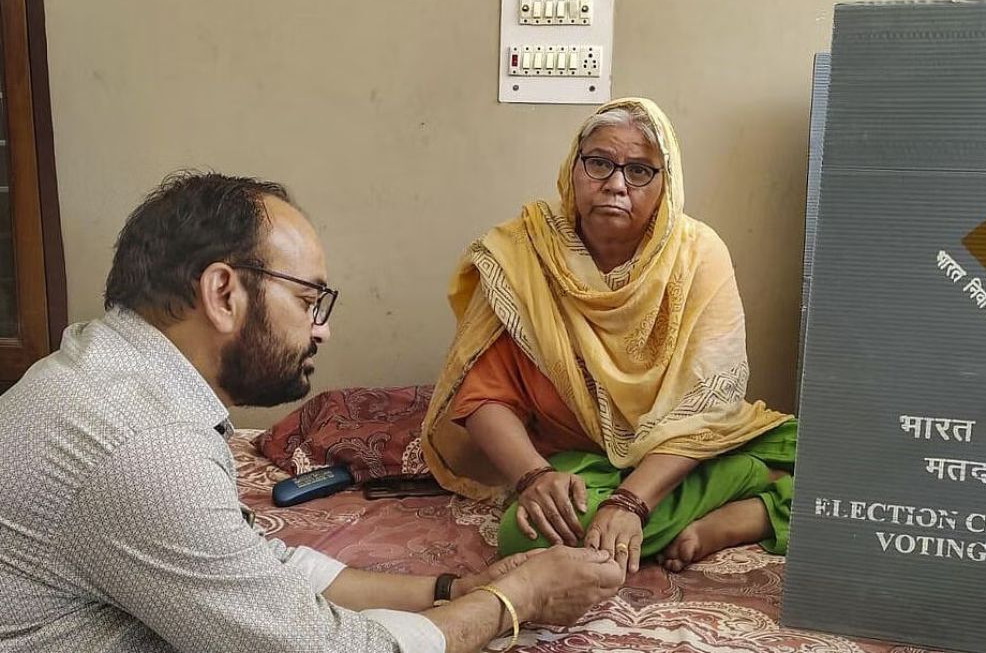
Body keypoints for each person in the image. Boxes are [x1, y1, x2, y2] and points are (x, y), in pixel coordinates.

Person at [0, 172, 623, 653]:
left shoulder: (107, 371)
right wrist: (517, 597)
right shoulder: (146, 445)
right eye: (308, 301)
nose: (322, 330)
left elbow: (257, 566)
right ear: (222, 293)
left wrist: (453, 590)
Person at [421, 98, 797, 575]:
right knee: (526, 534)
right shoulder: (523, 253)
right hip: (580, 465)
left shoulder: (698, 254)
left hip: (681, 453)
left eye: (639, 171)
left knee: (844, 465)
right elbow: (482, 398)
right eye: (599, 163)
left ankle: (742, 513)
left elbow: (708, 407)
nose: (616, 184)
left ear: (665, 185)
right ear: (573, 168)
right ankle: (745, 486)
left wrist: (631, 503)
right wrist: (534, 477)